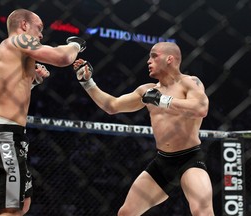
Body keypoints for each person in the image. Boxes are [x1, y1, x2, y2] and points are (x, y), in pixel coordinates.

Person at [73, 42, 214, 216]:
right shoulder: (147, 91)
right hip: (163, 161)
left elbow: (201, 109)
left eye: (154, 56)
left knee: (203, 212)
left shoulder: (190, 82)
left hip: (190, 159)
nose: (148, 60)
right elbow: (112, 106)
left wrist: (163, 100)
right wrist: (88, 83)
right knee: (126, 213)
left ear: (170, 59)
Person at [0, 8, 86, 216]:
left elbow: (2, 94)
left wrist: (32, 82)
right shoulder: (18, 41)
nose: (41, 35)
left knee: (22, 201)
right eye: (39, 28)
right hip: (4, 135)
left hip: (5, 133)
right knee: (9, 207)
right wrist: (76, 44)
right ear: (24, 25)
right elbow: (62, 57)